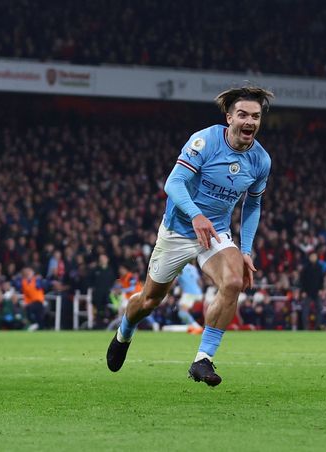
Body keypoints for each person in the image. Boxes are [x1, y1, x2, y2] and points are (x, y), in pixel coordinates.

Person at [106, 86, 274, 387]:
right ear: (229, 118)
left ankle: (202, 359)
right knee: (150, 300)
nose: (250, 122)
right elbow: (174, 182)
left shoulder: (261, 160)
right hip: (178, 230)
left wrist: (246, 250)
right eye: (243, 115)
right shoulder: (205, 140)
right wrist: (196, 215)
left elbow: (253, 204)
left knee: (234, 282)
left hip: (216, 231)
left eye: (256, 117)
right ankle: (125, 330)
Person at [175, 260, 204, 334]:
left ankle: (197, 327)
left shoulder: (179, 267)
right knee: (186, 312)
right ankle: (191, 327)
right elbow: (200, 282)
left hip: (189, 295)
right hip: (199, 294)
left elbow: (173, 281)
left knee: (182, 313)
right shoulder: (193, 268)